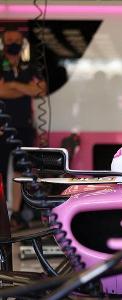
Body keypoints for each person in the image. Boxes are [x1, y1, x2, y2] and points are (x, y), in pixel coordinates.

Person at [0, 27, 46, 229]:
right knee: (1, 170)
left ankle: (17, 214)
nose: (12, 42)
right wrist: (25, 88)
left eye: (16, 39)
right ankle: (2, 214)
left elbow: (41, 90)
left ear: (22, 42)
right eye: (8, 39)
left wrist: (13, 85)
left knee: (22, 171)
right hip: (2, 126)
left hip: (25, 127)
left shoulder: (31, 66)